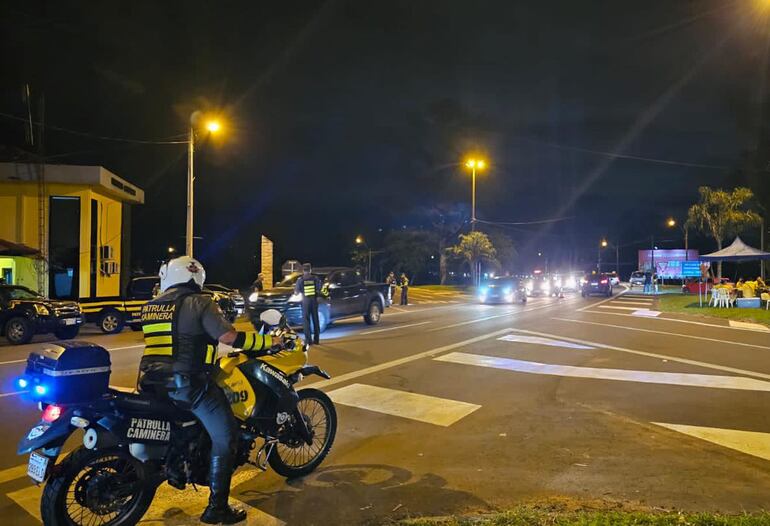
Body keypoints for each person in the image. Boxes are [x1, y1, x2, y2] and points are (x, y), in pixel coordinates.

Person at [138, 256, 282, 524]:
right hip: (188, 385)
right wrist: (267, 342)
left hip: (152, 381)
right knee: (227, 436)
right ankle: (217, 508)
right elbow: (228, 337)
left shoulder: (152, 306)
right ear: (196, 277)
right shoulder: (201, 301)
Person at [295, 263, 323, 345]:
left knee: (306, 321)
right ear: (310, 270)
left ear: (303, 270)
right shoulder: (315, 278)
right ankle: (316, 340)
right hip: (314, 301)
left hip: (305, 302)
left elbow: (296, 292)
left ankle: (308, 340)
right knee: (315, 320)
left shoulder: (300, 280)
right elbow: (320, 288)